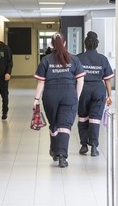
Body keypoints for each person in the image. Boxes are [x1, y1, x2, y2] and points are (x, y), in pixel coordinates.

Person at [33, 32, 85, 168]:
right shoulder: (73, 59)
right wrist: (76, 96)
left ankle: (54, 150)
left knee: (54, 123)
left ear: (52, 44)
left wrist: (36, 99)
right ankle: (62, 156)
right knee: (65, 125)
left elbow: (40, 83)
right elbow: (80, 80)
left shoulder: (45, 60)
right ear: (65, 43)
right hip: (69, 94)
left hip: (50, 94)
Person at [77, 31, 114, 157]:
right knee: (95, 119)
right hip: (99, 89)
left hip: (83, 90)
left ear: (85, 44)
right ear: (97, 45)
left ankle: (83, 145)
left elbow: (74, 78)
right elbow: (107, 79)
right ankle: (93, 146)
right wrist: (109, 95)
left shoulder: (78, 58)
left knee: (83, 117)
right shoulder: (102, 59)